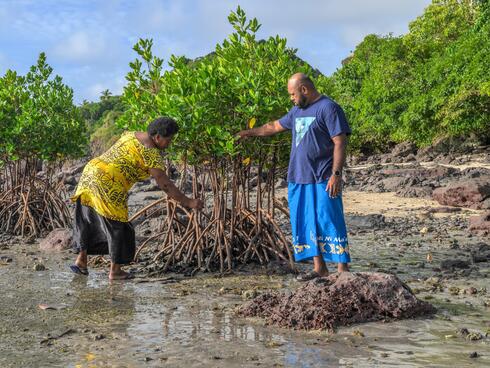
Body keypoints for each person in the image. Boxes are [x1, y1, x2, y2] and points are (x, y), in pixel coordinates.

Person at [237, 73, 351, 281]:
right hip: (298, 177)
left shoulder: (329, 108)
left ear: (304, 89)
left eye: (292, 94)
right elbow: (273, 127)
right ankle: (320, 268)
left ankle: (343, 270)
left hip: (324, 175)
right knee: (306, 220)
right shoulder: (297, 111)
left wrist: (336, 174)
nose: (291, 98)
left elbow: (340, 142)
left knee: (330, 219)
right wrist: (248, 133)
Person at [70, 117, 203, 280]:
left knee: (87, 217)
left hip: (90, 172)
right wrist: (189, 202)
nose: (170, 144)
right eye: (169, 140)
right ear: (158, 137)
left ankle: (81, 262)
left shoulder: (132, 134)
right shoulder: (151, 153)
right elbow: (165, 184)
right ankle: (115, 271)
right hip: (109, 181)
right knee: (117, 225)